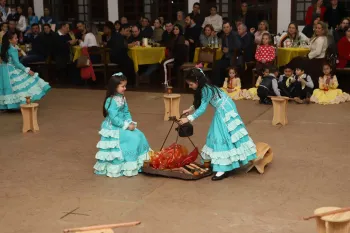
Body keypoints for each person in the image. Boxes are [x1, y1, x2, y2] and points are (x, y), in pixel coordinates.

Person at [179, 68, 257, 181]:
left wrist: (189, 118)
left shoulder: (206, 89)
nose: (190, 86)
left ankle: (224, 168)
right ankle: (225, 162)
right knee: (220, 134)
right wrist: (190, 109)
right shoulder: (205, 87)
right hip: (225, 107)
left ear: (197, 81)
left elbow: (203, 108)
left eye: (191, 84)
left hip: (224, 110)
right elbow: (202, 102)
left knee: (221, 135)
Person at [94, 73, 151, 177]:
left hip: (123, 124)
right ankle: (126, 163)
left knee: (139, 134)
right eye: (122, 86)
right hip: (114, 127)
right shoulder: (110, 100)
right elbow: (114, 118)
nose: (125, 88)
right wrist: (126, 126)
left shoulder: (122, 98)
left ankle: (139, 162)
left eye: (125, 86)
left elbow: (126, 112)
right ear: (114, 87)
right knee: (132, 137)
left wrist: (129, 122)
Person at [0, 32, 50, 110]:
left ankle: (7, 105)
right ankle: (17, 104)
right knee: (20, 87)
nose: (17, 40)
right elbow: (17, 63)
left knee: (6, 87)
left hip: (2, 70)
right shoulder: (13, 49)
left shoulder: (2, 47)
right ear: (10, 40)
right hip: (11, 69)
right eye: (15, 38)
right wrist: (27, 70)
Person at [104, 21, 136, 87]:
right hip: (115, 56)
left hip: (117, 55)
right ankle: (128, 82)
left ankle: (128, 82)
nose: (104, 30)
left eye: (105, 29)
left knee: (129, 62)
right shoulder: (109, 36)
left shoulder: (116, 35)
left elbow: (120, 47)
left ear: (109, 29)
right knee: (128, 62)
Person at [212, 21, 242, 87]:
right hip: (226, 57)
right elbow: (223, 46)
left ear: (231, 28)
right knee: (216, 63)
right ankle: (218, 85)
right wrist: (224, 49)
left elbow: (239, 46)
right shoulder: (223, 36)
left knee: (219, 65)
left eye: (227, 27)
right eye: (224, 27)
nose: (226, 29)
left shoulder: (235, 35)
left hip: (234, 58)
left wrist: (229, 49)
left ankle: (219, 85)